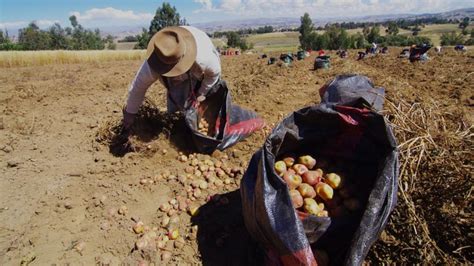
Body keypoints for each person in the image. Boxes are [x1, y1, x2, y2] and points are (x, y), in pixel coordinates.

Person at [122, 26, 221, 129]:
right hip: (176, 69)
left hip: (199, 67)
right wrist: (130, 114)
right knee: (178, 98)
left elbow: (213, 74)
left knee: (206, 100)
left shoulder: (203, 59)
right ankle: (180, 124)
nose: (176, 75)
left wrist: (201, 94)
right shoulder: (153, 63)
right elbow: (137, 88)